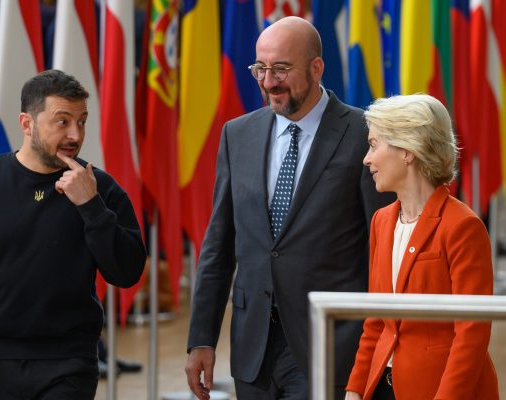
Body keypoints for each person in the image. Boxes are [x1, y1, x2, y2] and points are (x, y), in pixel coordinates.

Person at [185, 16, 392, 400]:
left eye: (281, 68)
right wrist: (201, 338)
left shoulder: (365, 135)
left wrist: (380, 344)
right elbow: (218, 246)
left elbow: (383, 248)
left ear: (316, 68)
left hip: (332, 346)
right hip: (254, 349)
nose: (268, 81)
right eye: (259, 68)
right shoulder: (237, 134)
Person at [0, 69, 146, 399]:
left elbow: (127, 272)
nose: (75, 134)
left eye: (82, 121)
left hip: (69, 361)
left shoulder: (100, 189)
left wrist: (91, 206)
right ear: (27, 124)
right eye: (62, 121)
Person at [345, 94, 499, 400]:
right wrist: (354, 389)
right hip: (381, 387)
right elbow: (376, 320)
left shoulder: (463, 226)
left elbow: (471, 335)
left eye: (374, 145)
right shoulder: (381, 221)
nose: (366, 158)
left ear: (407, 151)